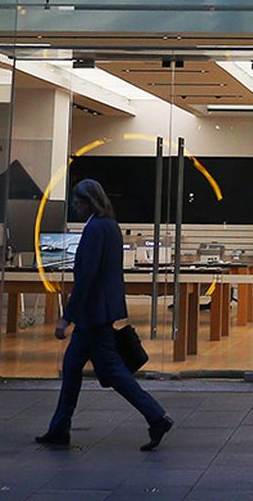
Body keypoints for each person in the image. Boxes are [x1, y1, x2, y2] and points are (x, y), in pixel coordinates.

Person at [36, 178, 172, 451]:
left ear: (90, 202)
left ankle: (156, 416)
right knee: (75, 368)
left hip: (92, 316)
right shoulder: (110, 226)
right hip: (102, 312)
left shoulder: (96, 229)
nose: (75, 207)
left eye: (78, 202)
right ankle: (60, 426)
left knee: (109, 371)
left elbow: (87, 276)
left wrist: (68, 317)